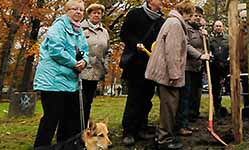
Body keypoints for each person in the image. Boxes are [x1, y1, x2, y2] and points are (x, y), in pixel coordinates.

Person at [144, 1, 209, 149]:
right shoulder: (175, 24)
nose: (192, 18)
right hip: (167, 74)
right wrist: (174, 75)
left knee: (169, 106)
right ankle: (164, 140)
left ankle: (162, 136)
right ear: (185, 12)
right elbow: (172, 52)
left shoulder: (173, 22)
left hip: (166, 72)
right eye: (191, 14)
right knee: (169, 107)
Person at [32, 0, 89, 148]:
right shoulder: (58, 27)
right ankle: (41, 147)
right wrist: (74, 63)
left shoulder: (79, 30)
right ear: (66, 11)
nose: (78, 12)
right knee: (52, 117)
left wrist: (84, 61)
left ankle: (64, 146)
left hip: (69, 80)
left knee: (69, 117)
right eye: (74, 9)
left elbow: (84, 51)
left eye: (81, 10)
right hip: (52, 80)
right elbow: (56, 50)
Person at [119, 0, 165, 145]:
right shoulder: (134, 14)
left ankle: (141, 128)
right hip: (135, 65)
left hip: (152, 66)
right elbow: (124, 33)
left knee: (147, 99)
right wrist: (135, 43)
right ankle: (129, 131)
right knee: (134, 98)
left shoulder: (161, 21)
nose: (163, 2)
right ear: (151, 1)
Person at [177, 6, 207, 136]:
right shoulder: (186, 29)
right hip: (187, 67)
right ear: (191, 16)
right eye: (195, 15)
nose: (198, 18)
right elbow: (186, 46)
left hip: (198, 67)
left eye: (200, 16)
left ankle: (189, 122)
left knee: (195, 95)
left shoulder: (200, 31)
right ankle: (181, 124)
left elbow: (206, 47)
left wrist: (207, 36)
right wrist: (199, 55)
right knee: (185, 97)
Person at [79, 3, 109, 127]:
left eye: (99, 13)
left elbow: (108, 51)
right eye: (94, 12)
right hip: (81, 71)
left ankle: (84, 128)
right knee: (79, 102)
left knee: (88, 102)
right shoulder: (80, 28)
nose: (96, 15)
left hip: (96, 71)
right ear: (89, 14)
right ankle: (74, 130)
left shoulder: (104, 32)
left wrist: (105, 65)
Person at [208, 20, 230, 118]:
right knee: (216, 89)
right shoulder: (210, 39)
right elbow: (208, 50)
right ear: (213, 27)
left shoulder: (228, 38)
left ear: (223, 27)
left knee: (230, 87)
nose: (218, 27)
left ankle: (233, 108)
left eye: (220, 26)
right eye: (216, 26)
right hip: (215, 67)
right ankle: (217, 108)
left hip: (226, 66)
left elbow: (231, 49)